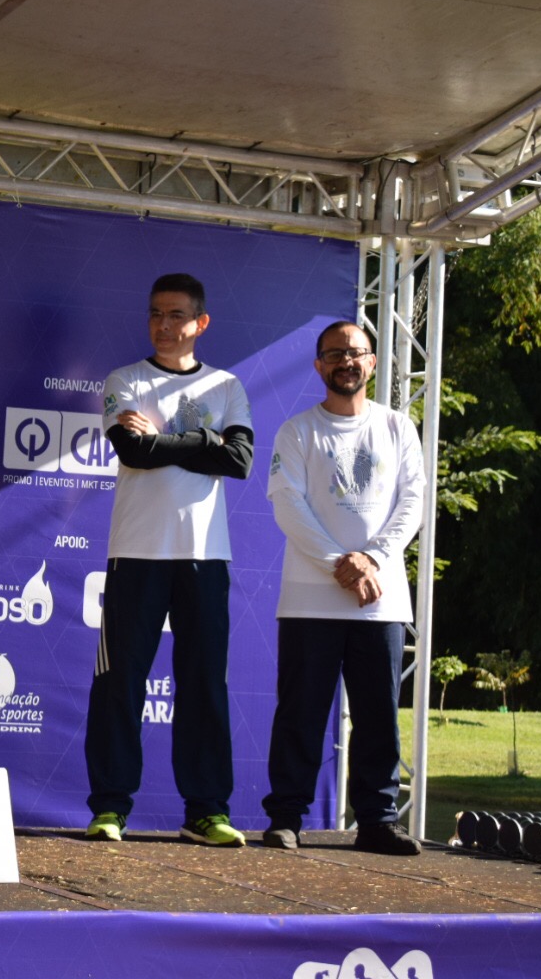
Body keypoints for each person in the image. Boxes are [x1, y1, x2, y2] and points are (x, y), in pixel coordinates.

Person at [83, 272, 253, 847]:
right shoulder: (124, 380)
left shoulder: (226, 385)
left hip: (205, 556)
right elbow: (133, 450)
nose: (164, 324)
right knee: (119, 683)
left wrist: (173, 444)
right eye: (156, 313)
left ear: (200, 323)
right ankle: (110, 807)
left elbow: (239, 460)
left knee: (204, 683)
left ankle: (206, 810)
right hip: (137, 553)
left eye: (177, 315)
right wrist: (206, 441)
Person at [261, 321, 424, 855]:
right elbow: (288, 506)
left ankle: (377, 821)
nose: (346, 362)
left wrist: (371, 559)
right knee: (301, 714)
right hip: (310, 600)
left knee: (379, 716)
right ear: (318, 366)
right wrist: (342, 564)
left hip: (381, 602)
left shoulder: (398, 427)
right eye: (334, 354)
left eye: (356, 353)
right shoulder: (297, 432)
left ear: (372, 362)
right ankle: (286, 817)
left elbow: (412, 503)